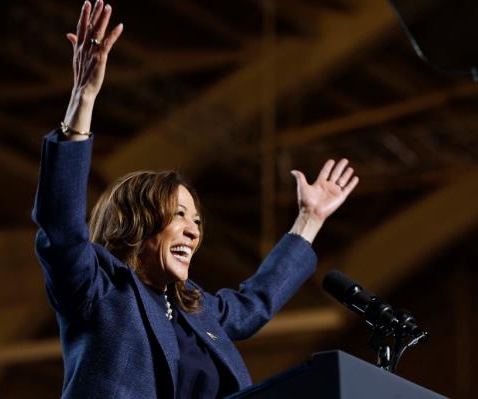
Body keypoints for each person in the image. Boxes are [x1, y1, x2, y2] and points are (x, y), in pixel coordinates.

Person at [32, 1, 359, 398]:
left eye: (197, 222)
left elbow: (255, 303)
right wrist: (82, 99)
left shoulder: (196, 309)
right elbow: (61, 225)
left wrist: (309, 219)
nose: (193, 230)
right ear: (139, 222)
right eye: (179, 215)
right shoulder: (98, 289)